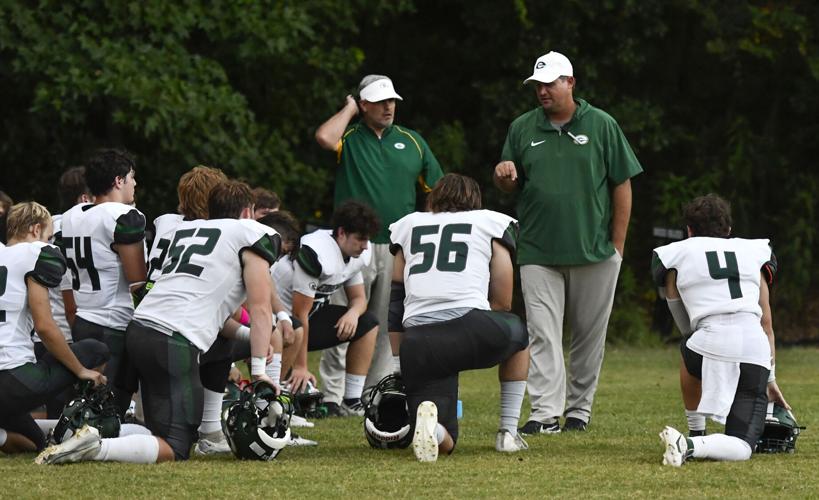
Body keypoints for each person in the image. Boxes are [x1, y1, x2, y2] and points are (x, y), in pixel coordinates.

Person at [36, 180, 282, 464]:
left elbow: (213, 315)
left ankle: (90, 437)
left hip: (140, 327)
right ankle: (94, 449)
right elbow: (261, 309)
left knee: (156, 430)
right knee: (176, 446)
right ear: (249, 212)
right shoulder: (253, 233)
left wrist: (251, 341)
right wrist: (260, 370)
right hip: (172, 339)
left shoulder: (188, 228)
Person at [494, 51, 643, 433]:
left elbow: (622, 183)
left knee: (588, 338)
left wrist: (618, 246)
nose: (542, 91)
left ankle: (579, 411)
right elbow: (508, 181)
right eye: (537, 85)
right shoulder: (522, 128)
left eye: (550, 83)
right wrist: (504, 176)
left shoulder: (602, 124)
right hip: (538, 250)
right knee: (542, 333)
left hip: (594, 251)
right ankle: (544, 414)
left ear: (570, 83)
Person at [315, 75, 444, 407]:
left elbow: (437, 190)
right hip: (351, 244)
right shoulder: (350, 138)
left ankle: (371, 394)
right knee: (344, 317)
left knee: (388, 321)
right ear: (364, 105)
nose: (389, 107)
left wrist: (423, 228)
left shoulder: (412, 141)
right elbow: (324, 138)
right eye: (380, 101)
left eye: (393, 101)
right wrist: (347, 110)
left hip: (397, 245)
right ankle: (332, 396)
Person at [389, 174, 529, 462]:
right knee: (519, 336)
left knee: (447, 440)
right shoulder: (489, 222)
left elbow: (395, 302)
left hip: (417, 339)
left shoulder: (408, 225)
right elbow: (502, 300)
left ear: (434, 199)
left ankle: (435, 431)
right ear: (475, 201)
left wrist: (397, 361)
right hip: (468, 326)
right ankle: (508, 431)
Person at [652, 194, 789, 466]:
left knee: (689, 346)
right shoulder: (755, 251)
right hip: (755, 349)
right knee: (742, 446)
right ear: (728, 230)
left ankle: (694, 431)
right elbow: (766, 323)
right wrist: (769, 377)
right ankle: (692, 444)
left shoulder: (674, 255)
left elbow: (685, 326)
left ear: (689, 231)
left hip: (706, 343)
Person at [0, 202, 108, 454]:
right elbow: (45, 327)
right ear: (36, 230)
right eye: (48, 236)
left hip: (8, 384)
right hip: (11, 377)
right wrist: (81, 370)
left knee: (35, 443)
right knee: (94, 348)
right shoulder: (34, 253)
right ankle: (84, 417)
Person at [59, 149, 147, 417]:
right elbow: (137, 281)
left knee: (85, 404)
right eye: (132, 177)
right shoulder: (125, 216)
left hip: (83, 319)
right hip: (114, 324)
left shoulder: (72, 215)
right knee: (108, 413)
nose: (135, 184)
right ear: (118, 181)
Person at [274, 200, 379, 416]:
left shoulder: (356, 255)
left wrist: (352, 313)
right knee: (296, 326)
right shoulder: (317, 252)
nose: (365, 246)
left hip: (308, 319)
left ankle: (352, 400)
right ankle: (274, 402)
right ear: (341, 233)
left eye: (367, 240)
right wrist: (302, 367)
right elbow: (299, 313)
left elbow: (359, 299)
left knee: (368, 323)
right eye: (360, 239)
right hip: (280, 321)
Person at [31, 166, 94, 418]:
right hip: (68, 331)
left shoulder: (48, 224)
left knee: (54, 410)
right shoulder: (90, 224)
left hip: (39, 330)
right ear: (84, 198)